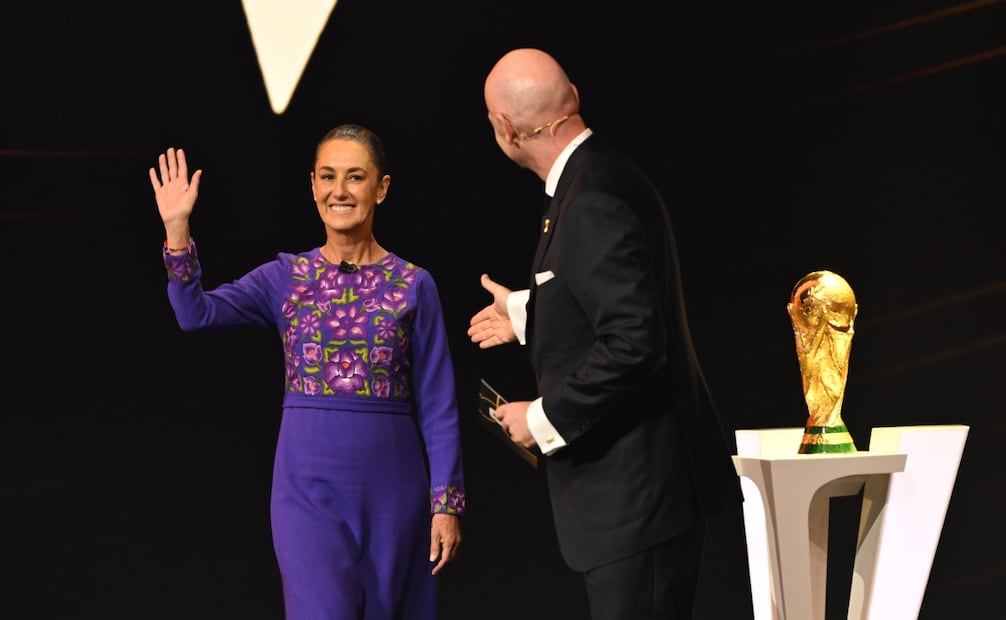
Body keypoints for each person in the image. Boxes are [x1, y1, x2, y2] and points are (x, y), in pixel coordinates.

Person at [467, 48, 743, 620]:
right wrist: (528, 311)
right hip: (647, 495)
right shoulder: (603, 174)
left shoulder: (589, 198)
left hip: (636, 496)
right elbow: (617, 297)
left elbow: (635, 340)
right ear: (574, 97)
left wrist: (540, 418)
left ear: (504, 128)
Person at [149, 124, 465, 620]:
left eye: (355, 177)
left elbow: (439, 404)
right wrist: (177, 230)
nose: (339, 190)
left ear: (381, 188)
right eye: (327, 177)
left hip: (393, 493)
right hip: (306, 492)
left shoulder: (413, 285)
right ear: (312, 186)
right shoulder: (287, 276)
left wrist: (446, 504)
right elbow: (196, 314)